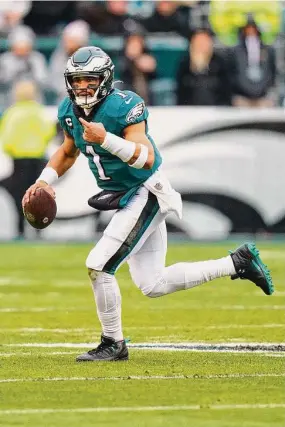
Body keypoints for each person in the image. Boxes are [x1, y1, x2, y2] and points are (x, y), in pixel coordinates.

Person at [22, 46, 274, 362]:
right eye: (77, 80)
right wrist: (45, 180)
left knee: (99, 265)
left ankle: (113, 342)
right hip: (126, 197)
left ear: (104, 79)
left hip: (145, 191)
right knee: (153, 284)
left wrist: (106, 140)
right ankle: (237, 263)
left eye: (89, 80)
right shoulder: (69, 110)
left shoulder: (123, 107)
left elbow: (147, 158)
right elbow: (69, 150)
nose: (82, 87)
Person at [0, 80, 56, 239]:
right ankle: (39, 228)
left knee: (19, 195)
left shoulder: (12, 113)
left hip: (18, 160)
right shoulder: (39, 112)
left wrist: (13, 150)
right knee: (38, 195)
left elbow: (7, 139)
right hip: (37, 159)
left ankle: (20, 229)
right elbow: (48, 132)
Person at [176, 27, 232, 106]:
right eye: (198, 41)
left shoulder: (220, 63)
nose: (201, 44)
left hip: (216, 110)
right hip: (190, 110)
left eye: (205, 41)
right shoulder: (184, 64)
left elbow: (226, 91)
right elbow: (181, 93)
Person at [230, 15, 276, 108]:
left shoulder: (267, 50)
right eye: (248, 29)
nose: (251, 32)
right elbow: (232, 73)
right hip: (242, 98)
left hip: (263, 97)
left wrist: (264, 89)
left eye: (253, 29)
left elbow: (272, 72)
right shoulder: (236, 52)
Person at [48, 20, 90, 103]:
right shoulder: (59, 56)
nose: (66, 43)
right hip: (64, 100)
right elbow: (53, 79)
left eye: (71, 40)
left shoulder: (92, 57)